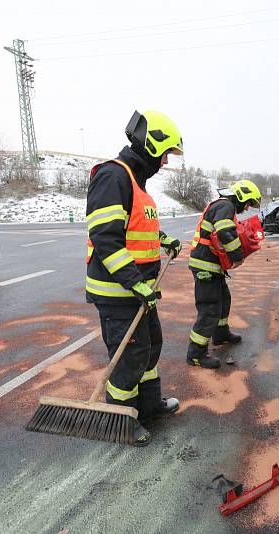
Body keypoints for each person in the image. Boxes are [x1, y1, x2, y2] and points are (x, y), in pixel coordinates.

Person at [85, 110, 185, 447]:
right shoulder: (113, 176)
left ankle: (148, 405)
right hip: (117, 292)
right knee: (130, 356)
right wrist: (134, 282)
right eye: (167, 153)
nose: (166, 162)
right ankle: (121, 419)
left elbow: (138, 228)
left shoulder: (134, 181)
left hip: (139, 290)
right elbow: (106, 238)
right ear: (151, 143)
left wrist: (163, 238)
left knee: (151, 346)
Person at [186, 180, 262, 368]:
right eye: (248, 203)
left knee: (224, 300)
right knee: (209, 309)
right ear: (241, 197)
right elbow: (226, 233)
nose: (246, 209)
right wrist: (237, 257)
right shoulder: (225, 206)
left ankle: (220, 335)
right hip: (205, 266)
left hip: (212, 266)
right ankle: (196, 354)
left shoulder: (223, 206)